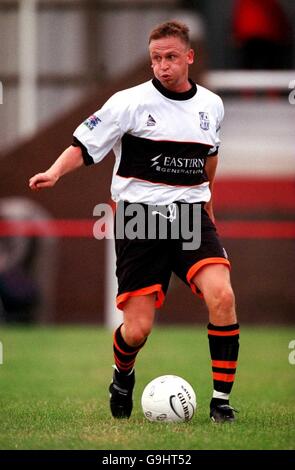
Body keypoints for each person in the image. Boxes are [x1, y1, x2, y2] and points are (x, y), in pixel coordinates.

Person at [29, 21, 240, 423]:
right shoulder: (128, 102)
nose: (163, 66)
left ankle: (220, 403)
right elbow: (83, 145)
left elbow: (211, 154)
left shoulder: (212, 105)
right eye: (156, 59)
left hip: (190, 217)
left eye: (171, 57)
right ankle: (122, 377)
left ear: (189, 57)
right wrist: (55, 172)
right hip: (139, 220)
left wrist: (207, 196)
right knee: (138, 329)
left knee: (223, 296)